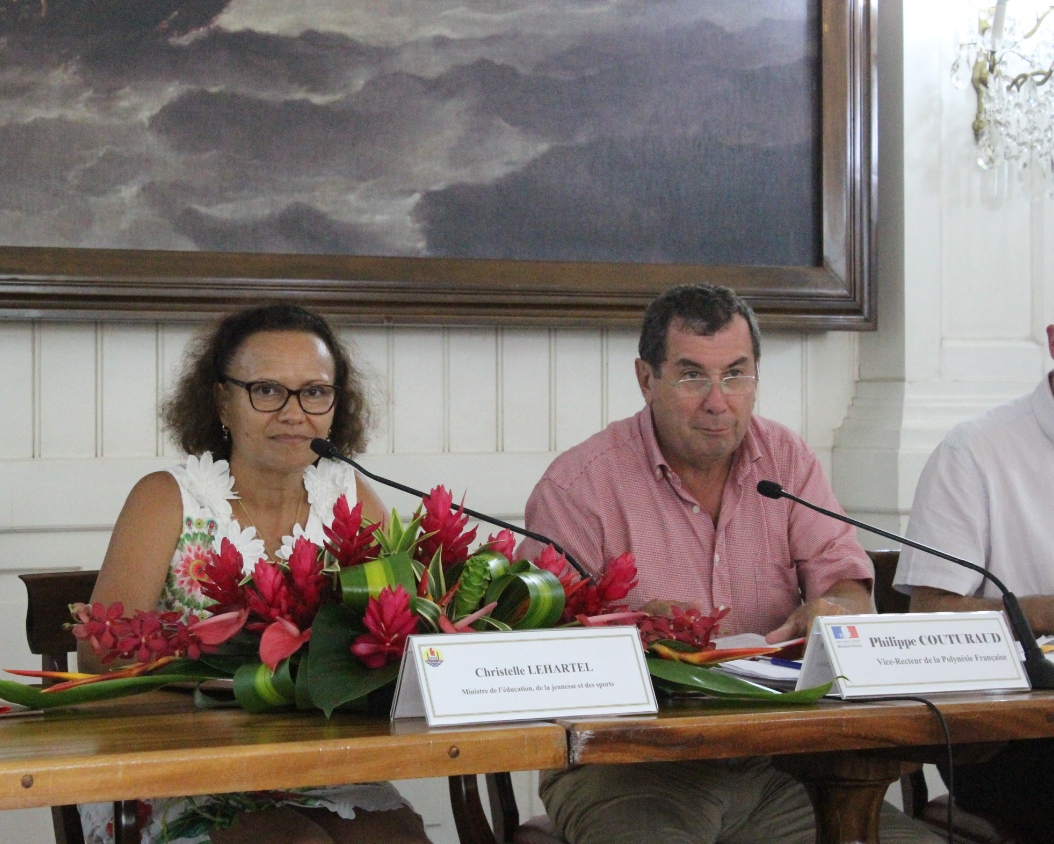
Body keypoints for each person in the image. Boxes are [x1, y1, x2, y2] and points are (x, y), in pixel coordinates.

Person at [518, 284, 941, 844]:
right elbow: (538, 650)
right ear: (647, 379)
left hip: (781, 765)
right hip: (627, 768)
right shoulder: (579, 486)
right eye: (693, 376)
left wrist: (834, 610)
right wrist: (638, 631)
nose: (719, 401)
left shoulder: (786, 460)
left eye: (736, 375)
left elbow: (847, 583)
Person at [78, 304, 431, 844]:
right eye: (266, 390)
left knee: (396, 836)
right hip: (178, 771)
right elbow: (99, 654)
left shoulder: (349, 494)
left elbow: (406, 628)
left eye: (314, 392)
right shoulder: (167, 497)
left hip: (314, 767)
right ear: (222, 400)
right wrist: (225, 677)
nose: (294, 413)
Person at [894, 323, 1054, 841]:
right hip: (1013, 738)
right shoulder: (975, 451)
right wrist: (1047, 612)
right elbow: (932, 615)